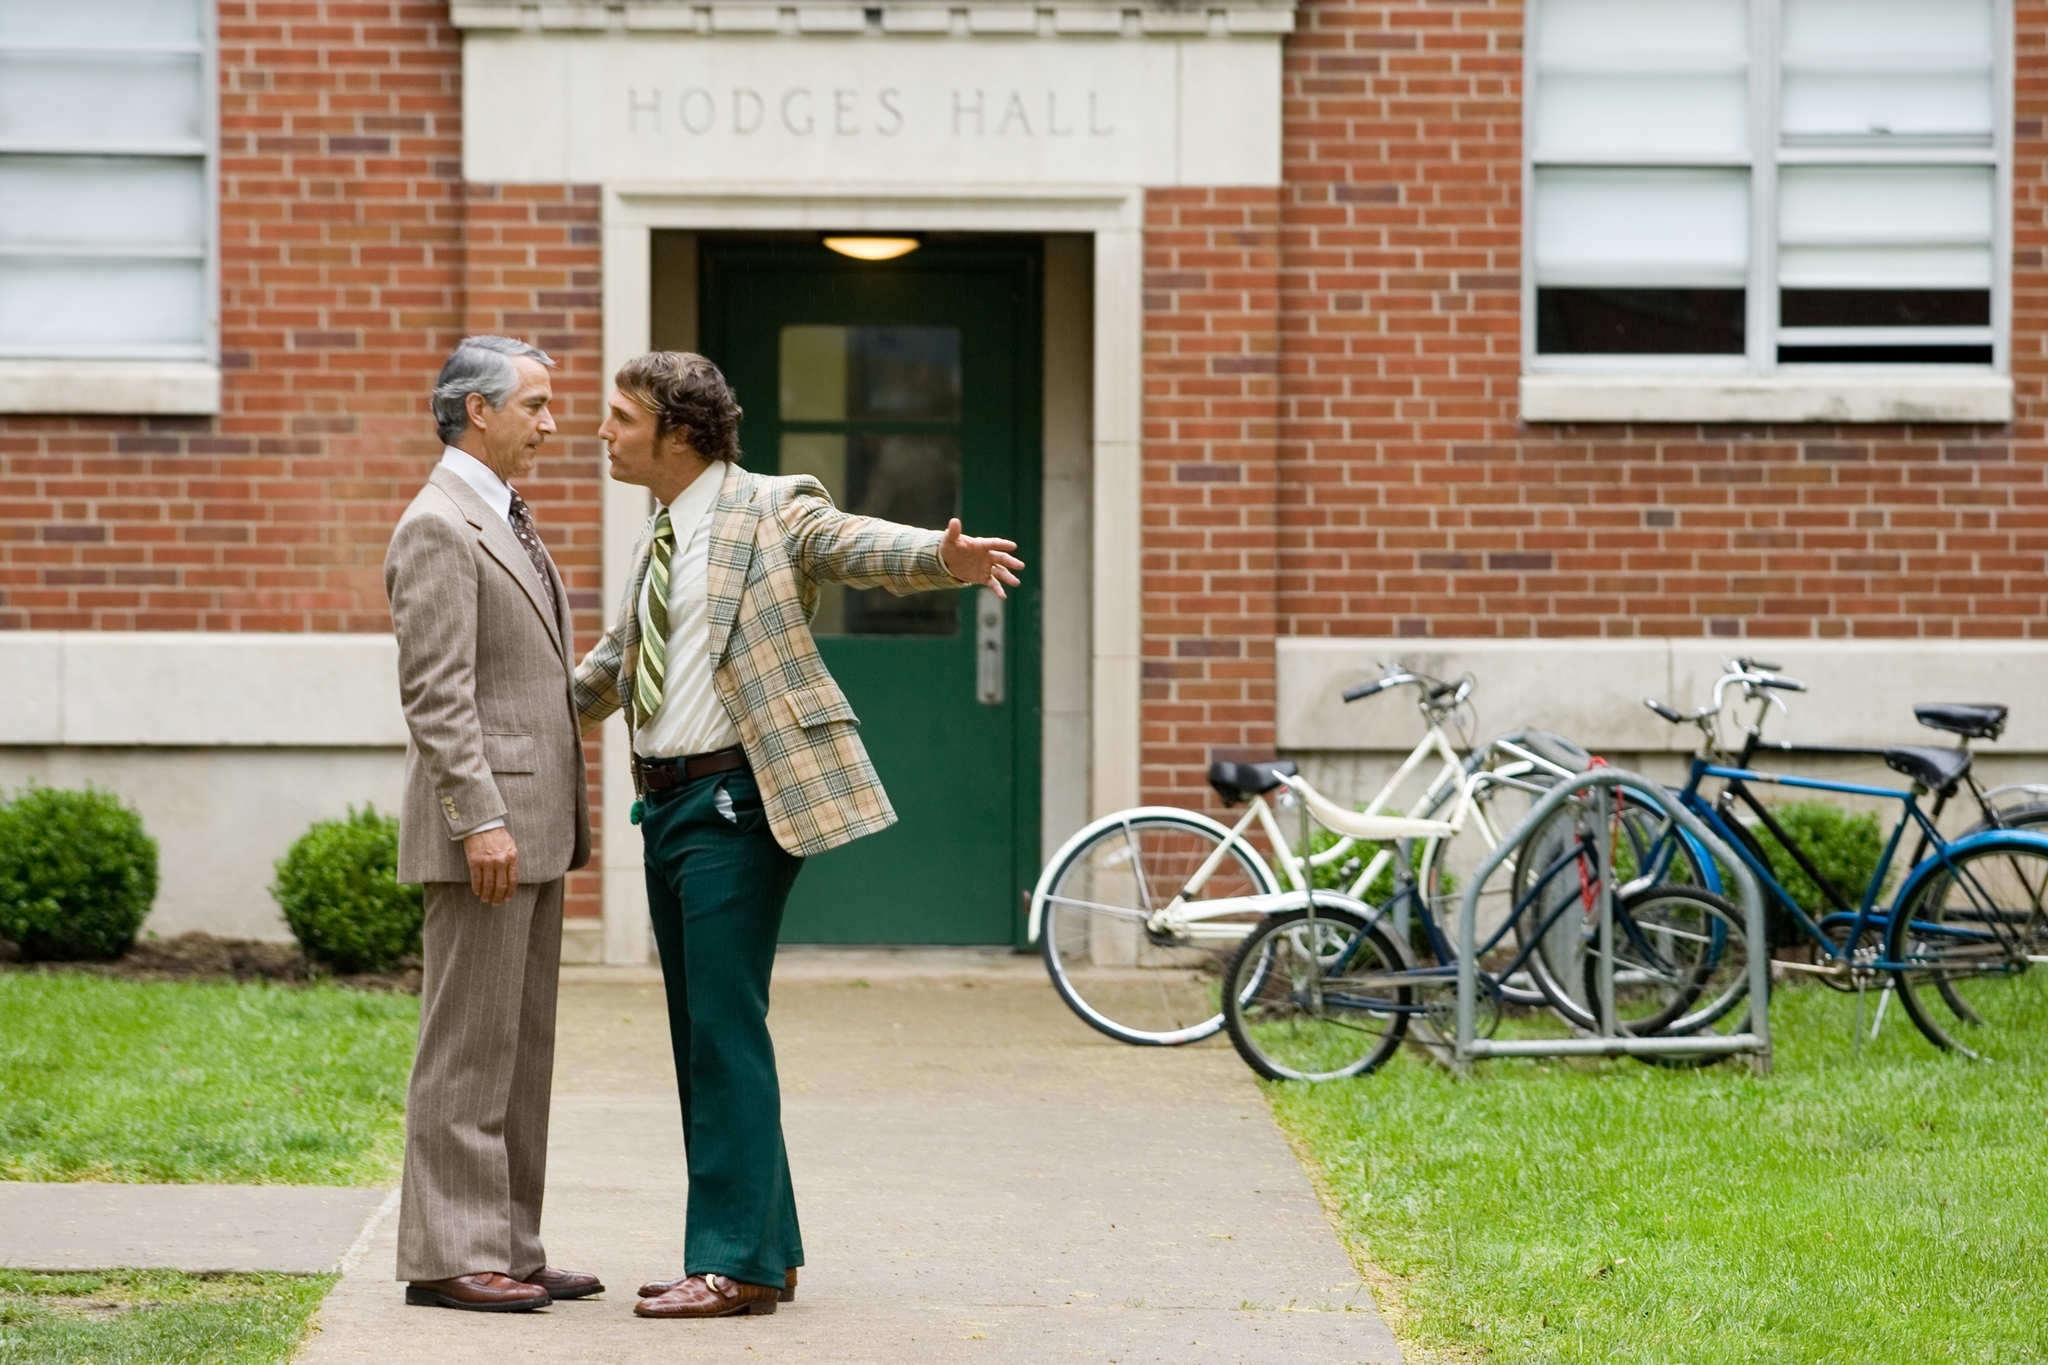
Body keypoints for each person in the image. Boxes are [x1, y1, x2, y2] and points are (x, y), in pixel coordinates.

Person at [574, 351, 1023, 1320]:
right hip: (666, 806)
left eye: (618, 417)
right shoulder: (661, 530)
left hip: (737, 801)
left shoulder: (769, 506)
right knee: (707, 1027)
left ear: (679, 431)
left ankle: (728, 1261)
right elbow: (620, 658)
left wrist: (941, 561)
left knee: (722, 1029)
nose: (601, 434)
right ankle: (761, 1254)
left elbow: (849, 542)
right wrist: (536, 711)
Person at [384, 335, 601, 1312]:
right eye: (538, 406)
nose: (552, 426)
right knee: (467, 1046)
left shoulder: (500, 517)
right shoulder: (437, 524)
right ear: (479, 410)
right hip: (487, 832)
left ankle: (508, 1242)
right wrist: (479, 819)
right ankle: (445, 1256)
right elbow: (436, 695)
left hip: (534, 829)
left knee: (519, 1049)